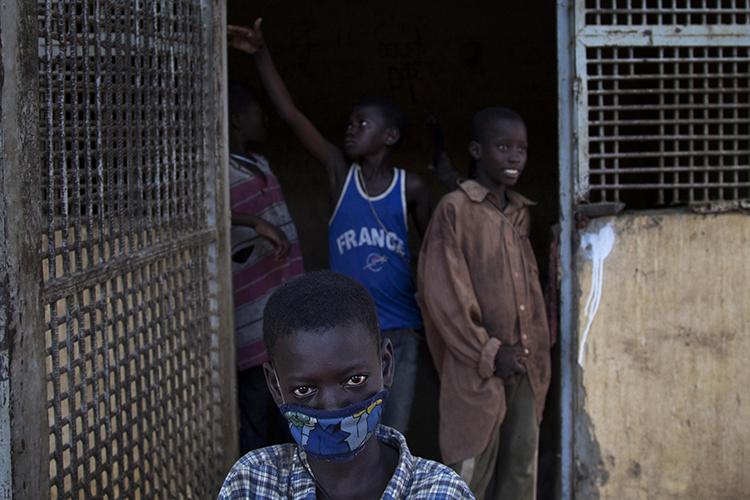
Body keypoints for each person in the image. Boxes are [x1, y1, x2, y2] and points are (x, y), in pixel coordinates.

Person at [227, 20, 431, 434]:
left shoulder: (411, 187)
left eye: (362, 124)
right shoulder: (342, 175)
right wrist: (261, 53)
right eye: (350, 123)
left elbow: (431, 255)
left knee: (393, 432)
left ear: (390, 136)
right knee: (347, 433)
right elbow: (292, 115)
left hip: (400, 329)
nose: (350, 129)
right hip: (348, 333)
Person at [217, 271, 474, 499]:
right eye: (304, 390)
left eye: (354, 380)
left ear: (385, 366)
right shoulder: (251, 484)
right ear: (275, 386)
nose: (332, 406)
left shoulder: (443, 492)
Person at [417, 107, 553, 500]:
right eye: (503, 147)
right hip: (475, 367)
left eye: (521, 149)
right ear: (477, 151)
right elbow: (445, 298)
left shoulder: (519, 214)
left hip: (524, 365)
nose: (515, 157)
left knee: (520, 473)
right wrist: (490, 352)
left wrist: (531, 351)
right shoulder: (455, 210)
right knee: (468, 475)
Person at [228, 80, 304, 454]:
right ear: (237, 119)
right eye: (258, 112)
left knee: (291, 426)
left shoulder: (261, 164)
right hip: (250, 326)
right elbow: (199, 219)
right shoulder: (218, 173)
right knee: (258, 430)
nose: (265, 119)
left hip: (286, 321)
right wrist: (253, 223)